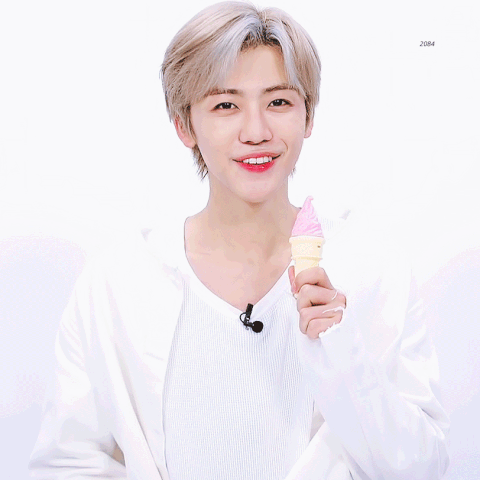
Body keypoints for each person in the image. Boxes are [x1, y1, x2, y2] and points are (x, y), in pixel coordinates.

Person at [29, 1, 450, 479]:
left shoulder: (374, 272)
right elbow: (68, 462)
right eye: (225, 105)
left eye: (279, 102)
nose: (256, 132)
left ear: (308, 117)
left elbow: (424, 468)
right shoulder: (117, 283)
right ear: (185, 125)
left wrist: (342, 352)